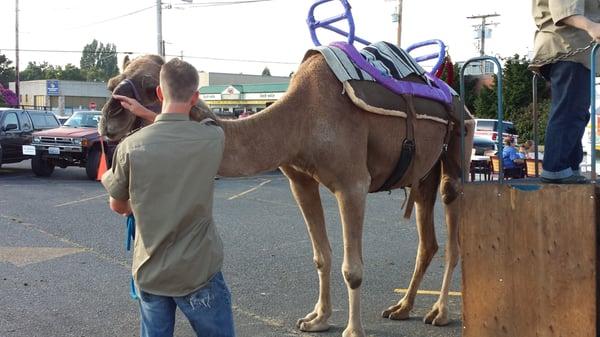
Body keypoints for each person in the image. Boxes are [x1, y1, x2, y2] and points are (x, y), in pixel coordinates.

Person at [101, 58, 235, 337]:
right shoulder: (212, 138)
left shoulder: (129, 148)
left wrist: (146, 114)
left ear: (159, 94)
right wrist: (157, 115)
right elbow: (196, 121)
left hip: (151, 274)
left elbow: (119, 207)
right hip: (199, 273)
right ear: (196, 96)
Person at [530, 0, 600, 184]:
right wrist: (592, 26)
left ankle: (569, 166)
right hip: (566, 47)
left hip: (578, 53)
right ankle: (556, 168)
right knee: (569, 110)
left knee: (578, 113)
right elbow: (564, 11)